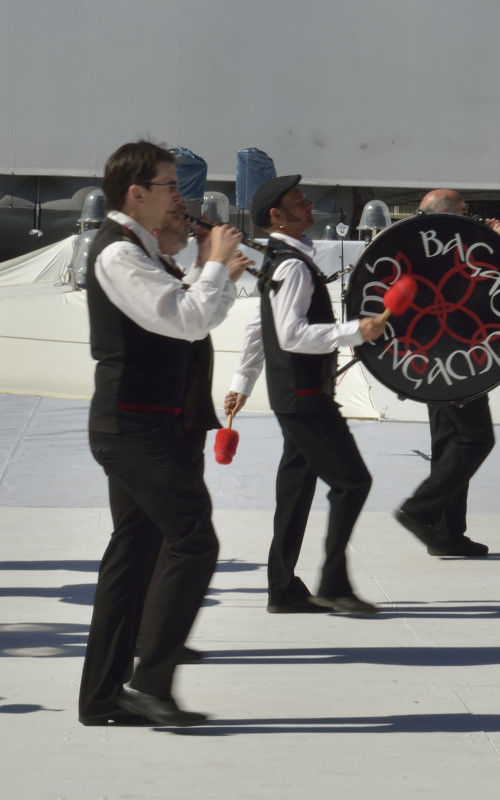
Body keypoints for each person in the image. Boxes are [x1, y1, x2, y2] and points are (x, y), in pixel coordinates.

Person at [78, 141, 246, 728]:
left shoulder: (147, 252)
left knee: (134, 555)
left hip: (148, 424)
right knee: (194, 540)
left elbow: (193, 319)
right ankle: (150, 683)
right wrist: (215, 266)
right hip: (131, 427)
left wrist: (208, 266)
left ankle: (103, 696)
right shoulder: (119, 256)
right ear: (136, 192)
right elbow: (188, 319)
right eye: (171, 186)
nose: (181, 197)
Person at [224, 175, 385, 615]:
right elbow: (291, 335)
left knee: (296, 490)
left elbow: (261, 326)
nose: (309, 204)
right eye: (299, 202)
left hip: (293, 394)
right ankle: (333, 584)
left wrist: (242, 382)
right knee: (353, 482)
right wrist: (357, 331)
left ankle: (282, 588)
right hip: (305, 395)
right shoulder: (291, 265)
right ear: (277, 215)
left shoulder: (280, 259)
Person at [392, 189, 500, 558]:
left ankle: (445, 532)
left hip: (435, 355)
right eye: (464, 212)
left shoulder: (422, 244)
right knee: (475, 439)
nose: (471, 217)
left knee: (449, 442)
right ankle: (421, 510)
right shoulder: (441, 247)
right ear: (445, 214)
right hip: (455, 353)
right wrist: (498, 247)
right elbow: (472, 293)